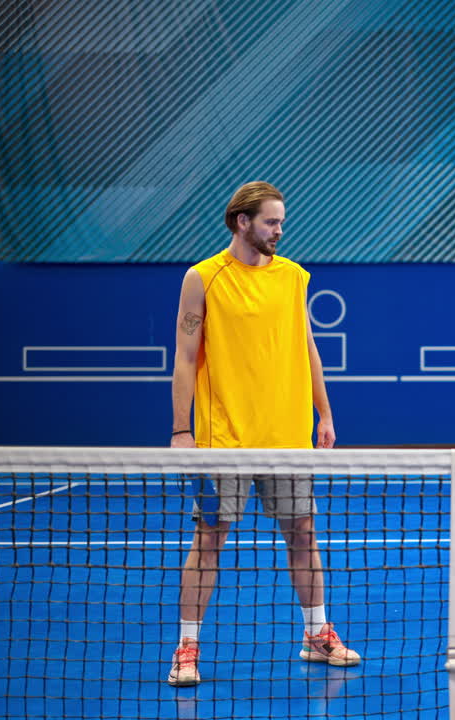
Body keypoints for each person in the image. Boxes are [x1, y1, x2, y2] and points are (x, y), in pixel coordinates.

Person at [166, 181, 360, 687]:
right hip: (222, 437)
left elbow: (307, 345)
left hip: (287, 435)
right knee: (209, 539)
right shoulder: (203, 278)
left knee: (302, 532)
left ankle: (317, 634)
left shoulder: (294, 277)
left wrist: (325, 413)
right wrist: (181, 429)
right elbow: (186, 357)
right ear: (241, 222)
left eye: (281, 221)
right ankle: (187, 647)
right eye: (271, 221)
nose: (280, 230)